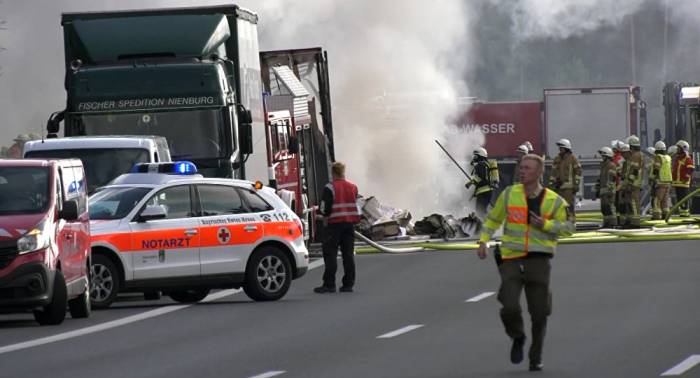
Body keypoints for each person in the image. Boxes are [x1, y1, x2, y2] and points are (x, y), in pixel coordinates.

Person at [478, 154, 575, 372]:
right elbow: (493, 219)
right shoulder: (509, 194)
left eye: (527, 168)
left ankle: (536, 355)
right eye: (521, 168)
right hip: (511, 257)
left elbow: (569, 227)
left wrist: (546, 225)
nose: (522, 171)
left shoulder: (554, 200)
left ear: (539, 172)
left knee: (539, 312)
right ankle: (518, 336)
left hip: (539, 259)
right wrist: (483, 241)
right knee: (509, 304)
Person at [314, 161, 361, 293]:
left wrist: (322, 218)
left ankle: (329, 284)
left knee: (330, 254)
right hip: (349, 225)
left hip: (334, 225)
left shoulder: (330, 187)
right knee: (348, 255)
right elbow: (355, 203)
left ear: (333, 173)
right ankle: (348, 284)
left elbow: (325, 208)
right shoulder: (353, 187)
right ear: (343, 172)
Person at [548, 138, 581, 215]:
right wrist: (551, 185)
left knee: (569, 207)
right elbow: (553, 173)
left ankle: (571, 224)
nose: (560, 149)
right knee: (559, 208)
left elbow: (578, 172)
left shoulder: (572, 158)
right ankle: (562, 224)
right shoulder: (556, 159)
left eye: (561, 147)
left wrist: (576, 184)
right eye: (559, 147)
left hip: (569, 189)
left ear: (566, 148)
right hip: (558, 188)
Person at [620, 135, 644, 228]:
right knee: (630, 202)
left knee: (634, 202)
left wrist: (630, 182)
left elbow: (634, 170)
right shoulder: (637, 155)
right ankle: (630, 220)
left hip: (634, 183)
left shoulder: (636, 155)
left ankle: (635, 222)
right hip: (633, 182)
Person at [466, 147, 497, 217]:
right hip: (486, 191)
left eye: (475, 156)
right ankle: (487, 222)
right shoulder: (484, 164)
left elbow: (480, 176)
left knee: (480, 211)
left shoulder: (481, 164)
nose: (474, 157)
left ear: (480, 156)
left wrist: (470, 183)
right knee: (482, 210)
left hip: (484, 192)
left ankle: (487, 223)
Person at [595, 146, 618, 227]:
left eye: (603, 156)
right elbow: (600, 179)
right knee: (604, 208)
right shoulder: (603, 166)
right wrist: (597, 189)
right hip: (603, 191)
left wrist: (610, 191)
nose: (602, 157)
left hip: (609, 191)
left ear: (608, 156)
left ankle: (613, 223)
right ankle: (606, 223)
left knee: (610, 208)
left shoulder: (612, 166)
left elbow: (612, 179)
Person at [649, 141, 672, 220]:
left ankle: (656, 216)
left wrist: (652, 178)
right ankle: (666, 215)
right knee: (665, 200)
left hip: (660, 181)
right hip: (668, 181)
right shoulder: (668, 157)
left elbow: (656, 169)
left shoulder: (658, 157)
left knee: (657, 200)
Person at [672, 140, 695, 217]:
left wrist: (686, 177)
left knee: (683, 198)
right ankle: (682, 213)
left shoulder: (687, 158)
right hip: (677, 183)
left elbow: (690, 169)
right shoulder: (678, 158)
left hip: (684, 183)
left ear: (683, 148)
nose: (677, 149)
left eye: (678, 148)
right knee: (679, 198)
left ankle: (685, 213)